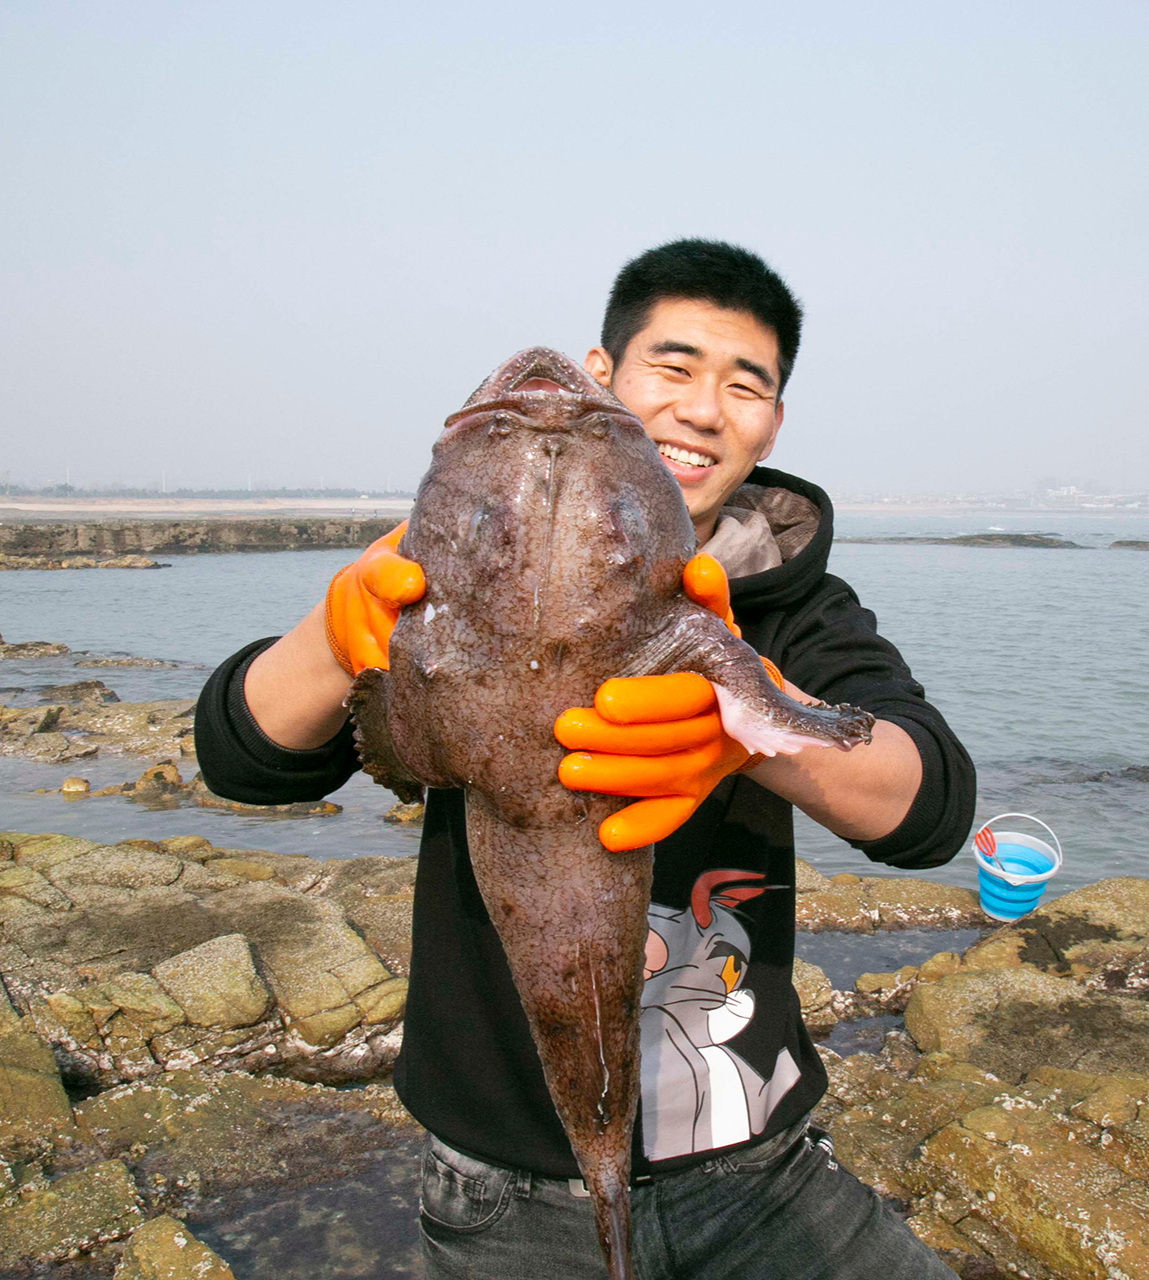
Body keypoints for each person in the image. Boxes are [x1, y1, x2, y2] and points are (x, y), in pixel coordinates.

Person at [195, 240, 974, 1279]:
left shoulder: (797, 605)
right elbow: (241, 757)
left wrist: (754, 724)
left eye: (745, 385)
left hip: (761, 1164)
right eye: (674, 364)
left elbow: (927, 800)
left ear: (773, 420)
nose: (703, 408)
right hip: (503, 1193)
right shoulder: (427, 578)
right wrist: (339, 642)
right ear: (604, 371)